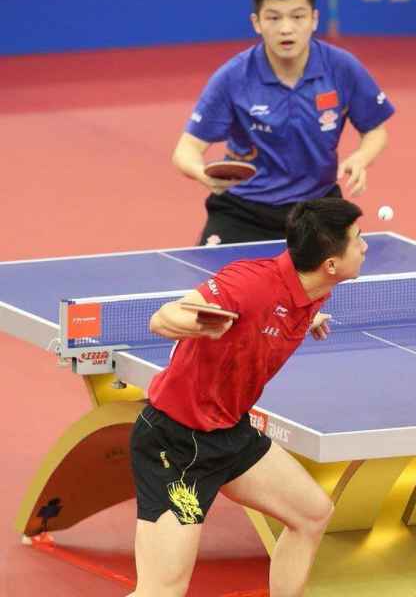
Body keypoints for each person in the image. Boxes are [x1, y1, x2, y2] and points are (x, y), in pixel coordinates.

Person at [128, 198, 368, 597]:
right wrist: (198, 324)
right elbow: (163, 317)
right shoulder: (249, 284)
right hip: (175, 444)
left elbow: (279, 311)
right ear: (330, 263)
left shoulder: (312, 291)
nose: (364, 246)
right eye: (357, 239)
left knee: (312, 514)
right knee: (162, 591)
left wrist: (309, 319)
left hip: (230, 433)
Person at [172, 0, 394, 246]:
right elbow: (185, 150)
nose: (286, 29)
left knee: (347, 269)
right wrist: (202, 173)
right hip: (243, 211)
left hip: (317, 209)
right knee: (214, 275)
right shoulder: (233, 77)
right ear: (257, 23)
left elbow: (376, 130)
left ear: (314, 19)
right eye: (274, 18)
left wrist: (361, 157)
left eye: (298, 16)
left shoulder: (341, 67)